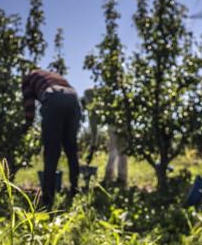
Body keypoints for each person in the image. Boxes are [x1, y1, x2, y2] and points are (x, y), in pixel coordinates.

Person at [22, 69, 81, 208]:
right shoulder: (52, 75)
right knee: (71, 149)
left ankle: (48, 200)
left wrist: (27, 125)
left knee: (51, 152)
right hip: (73, 97)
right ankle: (75, 191)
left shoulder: (28, 79)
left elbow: (29, 105)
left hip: (53, 97)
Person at [82, 88, 128, 186]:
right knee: (113, 149)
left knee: (121, 149)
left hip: (120, 119)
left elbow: (94, 129)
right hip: (112, 122)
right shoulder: (92, 102)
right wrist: (93, 145)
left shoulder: (93, 100)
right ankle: (109, 176)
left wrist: (92, 147)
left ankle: (122, 178)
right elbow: (94, 130)